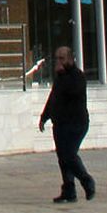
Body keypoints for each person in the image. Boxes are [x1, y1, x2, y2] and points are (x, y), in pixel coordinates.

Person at [38, 42, 95, 203]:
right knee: (63, 157)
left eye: (62, 58)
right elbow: (53, 98)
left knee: (69, 155)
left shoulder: (77, 76)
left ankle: (86, 180)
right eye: (57, 58)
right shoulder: (60, 77)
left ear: (70, 59)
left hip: (76, 124)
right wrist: (44, 117)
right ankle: (69, 190)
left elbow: (72, 92)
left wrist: (63, 75)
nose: (59, 61)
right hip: (60, 124)